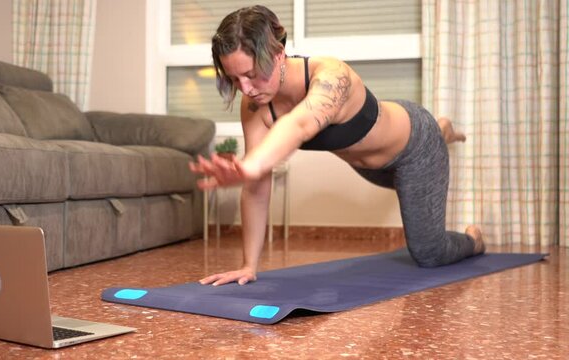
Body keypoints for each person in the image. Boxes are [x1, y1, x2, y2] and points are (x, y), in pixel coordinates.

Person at [189, 5, 485, 287]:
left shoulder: (331, 76)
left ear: (278, 53)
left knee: (429, 253)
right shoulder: (255, 105)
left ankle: (474, 239)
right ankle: (443, 127)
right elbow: (256, 187)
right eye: (234, 79)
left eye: (252, 74)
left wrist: (250, 166)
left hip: (414, 154)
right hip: (369, 168)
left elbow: (300, 124)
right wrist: (248, 266)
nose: (246, 88)